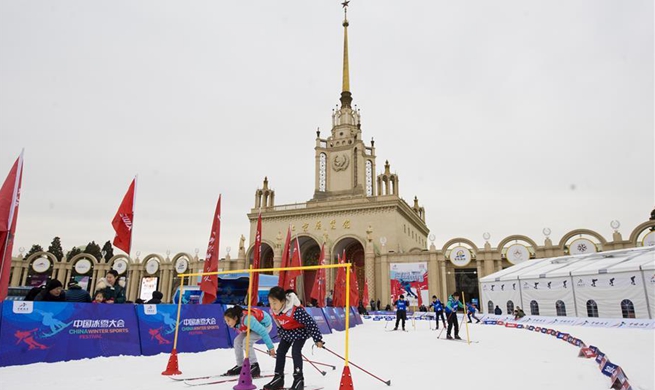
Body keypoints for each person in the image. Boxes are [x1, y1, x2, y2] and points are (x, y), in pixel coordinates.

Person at [264, 287, 324, 390]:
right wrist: (281, 333)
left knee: (295, 351)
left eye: (275, 303)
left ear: (282, 301)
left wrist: (317, 339)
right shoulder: (274, 311)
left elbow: (310, 323)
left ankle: (298, 379)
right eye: (270, 303)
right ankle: (278, 377)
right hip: (287, 332)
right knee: (281, 351)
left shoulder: (295, 310)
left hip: (300, 332)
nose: (272, 306)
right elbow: (279, 324)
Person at [223, 305, 275, 378]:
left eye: (228, 320)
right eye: (225, 321)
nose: (227, 323)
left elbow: (263, 331)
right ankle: (240, 365)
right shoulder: (237, 321)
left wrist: (271, 348)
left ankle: (255, 366)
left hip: (264, 326)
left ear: (235, 318)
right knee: (237, 341)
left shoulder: (247, 319)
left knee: (246, 342)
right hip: (252, 327)